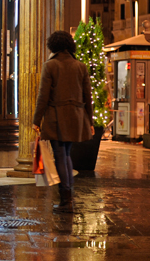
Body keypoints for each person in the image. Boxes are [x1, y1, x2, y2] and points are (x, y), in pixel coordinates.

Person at [32, 30, 94, 214]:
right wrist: (89, 120)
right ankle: (68, 198)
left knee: (60, 155)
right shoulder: (81, 66)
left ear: (53, 45)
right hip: (76, 117)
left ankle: (66, 201)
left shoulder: (50, 65)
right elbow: (88, 96)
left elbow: (43, 96)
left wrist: (36, 120)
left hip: (56, 116)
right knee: (66, 155)